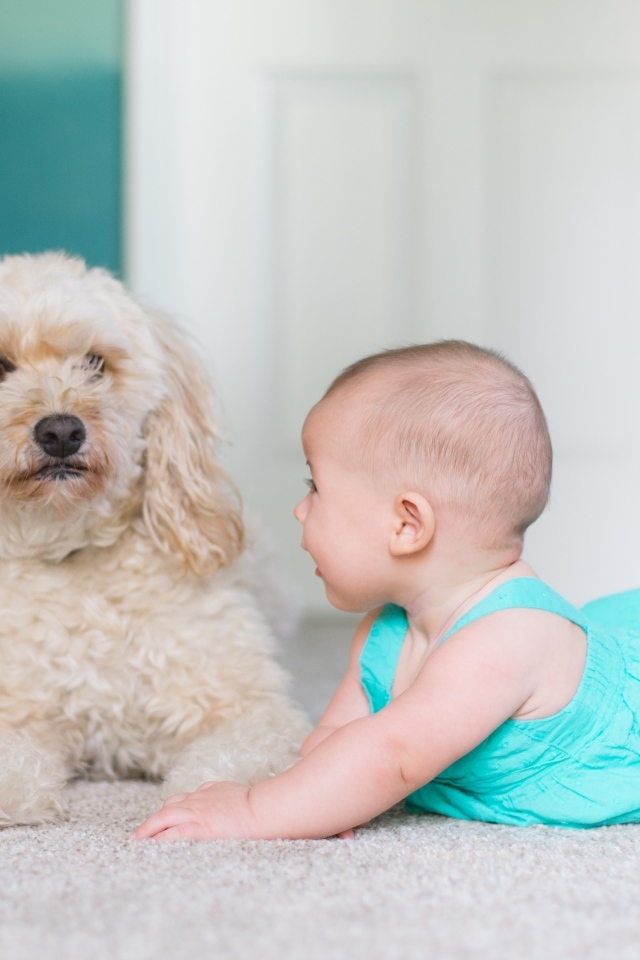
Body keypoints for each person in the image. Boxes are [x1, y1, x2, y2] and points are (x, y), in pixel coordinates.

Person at [131, 340, 640, 841]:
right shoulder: (385, 631)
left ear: (406, 525)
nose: (299, 510)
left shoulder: (504, 642)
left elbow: (391, 757)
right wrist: (317, 800)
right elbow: (335, 742)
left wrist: (252, 811)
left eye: (315, 488)